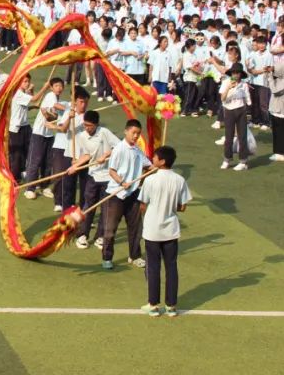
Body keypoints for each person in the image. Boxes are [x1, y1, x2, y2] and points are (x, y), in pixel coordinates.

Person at [138, 145, 192, 317]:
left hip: (153, 230)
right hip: (171, 230)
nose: (152, 159)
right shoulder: (179, 180)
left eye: (155, 157)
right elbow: (182, 207)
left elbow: (143, 205)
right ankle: (171, 306)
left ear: (162, 161)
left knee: (153, 267)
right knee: (171, 267)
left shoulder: (150, 180)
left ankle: (153, 305)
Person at [101, 119, 152, 271]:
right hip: (116, 195)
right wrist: (121, 182)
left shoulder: (137, 151)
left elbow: (148, 165)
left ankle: (135, 256)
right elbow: (112, 171)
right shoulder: (119, 149)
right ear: (126, 131)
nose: (136, 136)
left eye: (138, 134)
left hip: (133, 194)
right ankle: (107, 258)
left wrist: (157, 166)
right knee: (110, 230)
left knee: (136, 228)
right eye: (133, 133)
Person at [66, 110, 118, 248]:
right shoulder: (82, 136)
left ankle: (100, 236)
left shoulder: (104, 132)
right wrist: (75, 166)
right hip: (93, 176)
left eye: (90, 125)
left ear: (96, 124)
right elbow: (87, 155)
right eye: (85, 125)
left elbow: (119, 147)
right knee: (88, 206)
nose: (87, 128)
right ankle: (83, 234)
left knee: (105, 208)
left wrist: (106, 155)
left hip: (108, 177)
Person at [219, 64, 251, 171]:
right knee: (229, 136)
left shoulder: (244, 85)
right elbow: (222, 99)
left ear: (241, 74)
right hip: (229, 111)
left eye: (237, 73)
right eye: (233, 73)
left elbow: (247, 99)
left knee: (242, 136)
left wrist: (249, 112)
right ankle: (227, 159)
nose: (235, 75)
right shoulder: (226, 83)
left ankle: (243, 161)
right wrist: (229, 87)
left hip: (241, 110)